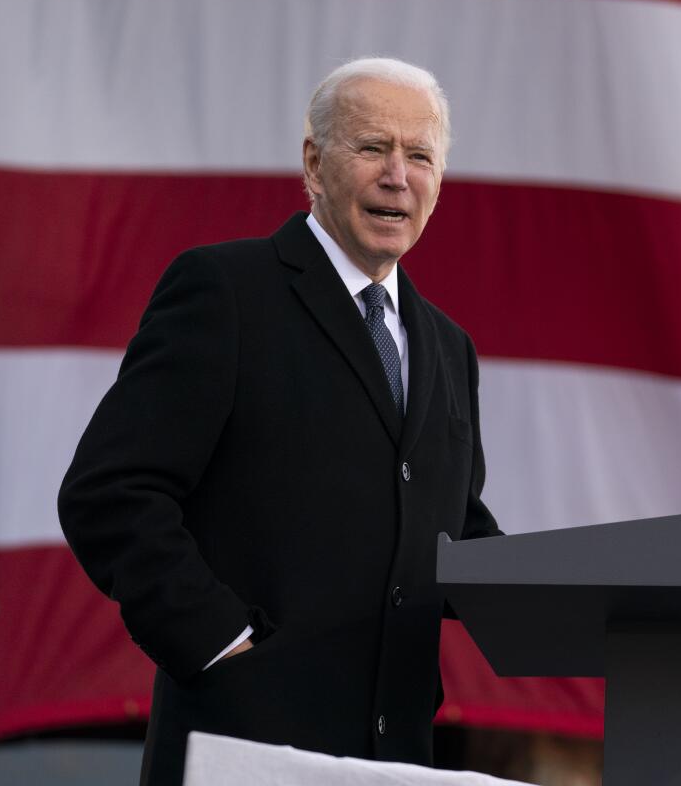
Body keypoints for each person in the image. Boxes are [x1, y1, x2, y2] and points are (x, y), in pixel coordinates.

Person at [58, 57, 501, 786]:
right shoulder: (225, 292)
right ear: (314, 162)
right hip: (246, 748)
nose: (399, 175)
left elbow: (452, 531)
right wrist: (221, 645)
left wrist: (585, 594)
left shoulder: (448, 347)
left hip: (398, 760)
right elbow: (110, 491)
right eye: (372, 148)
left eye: (420, 155)